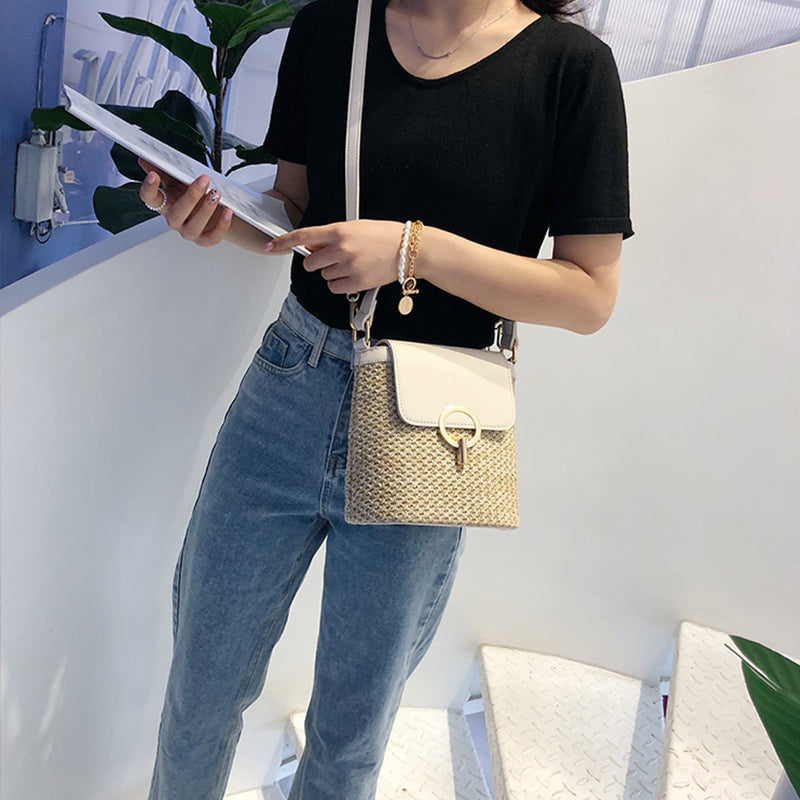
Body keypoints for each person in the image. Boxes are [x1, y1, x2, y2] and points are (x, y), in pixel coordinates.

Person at [139, 0, 632, 798]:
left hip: (433, 421)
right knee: (200, 691)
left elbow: (589, 294)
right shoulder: (333, 26)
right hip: (289, 382)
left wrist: (413, 249)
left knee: (350, 735)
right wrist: (215, 219)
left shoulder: (568, 69)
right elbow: (293, 212)